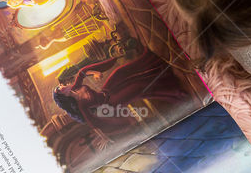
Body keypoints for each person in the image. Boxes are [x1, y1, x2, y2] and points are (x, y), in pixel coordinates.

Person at [52, 49, 190, 138]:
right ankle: (172, 89)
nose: (63, 86)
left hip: (107, 91)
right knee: (137, 88)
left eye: (60, 85)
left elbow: (82, 72)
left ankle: (156, 65)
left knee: (119, 72)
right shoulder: (81, 105)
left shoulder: (76, 87)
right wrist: (105, 139)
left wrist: (95, 73)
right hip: (112, 102)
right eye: (60, 89)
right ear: (64, 96)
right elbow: (94, 123)